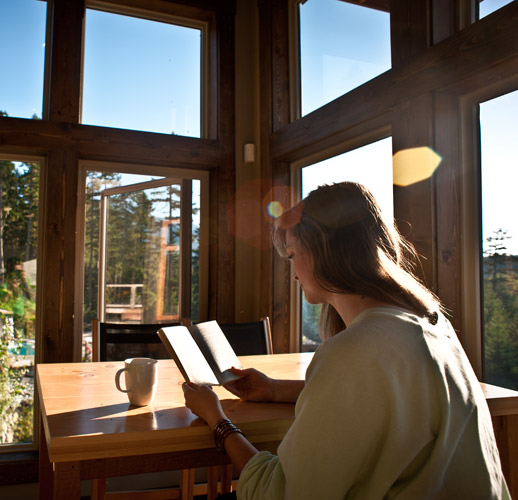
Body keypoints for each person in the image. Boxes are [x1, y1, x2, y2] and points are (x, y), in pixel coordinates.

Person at [182, 182, 509, 499]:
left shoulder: (353, 351)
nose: (293, 273)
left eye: (293, 254)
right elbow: (395, 396)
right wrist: (274, 389)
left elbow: (278, 493)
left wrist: (218, 420)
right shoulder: (433, 323)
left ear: (321, 250)